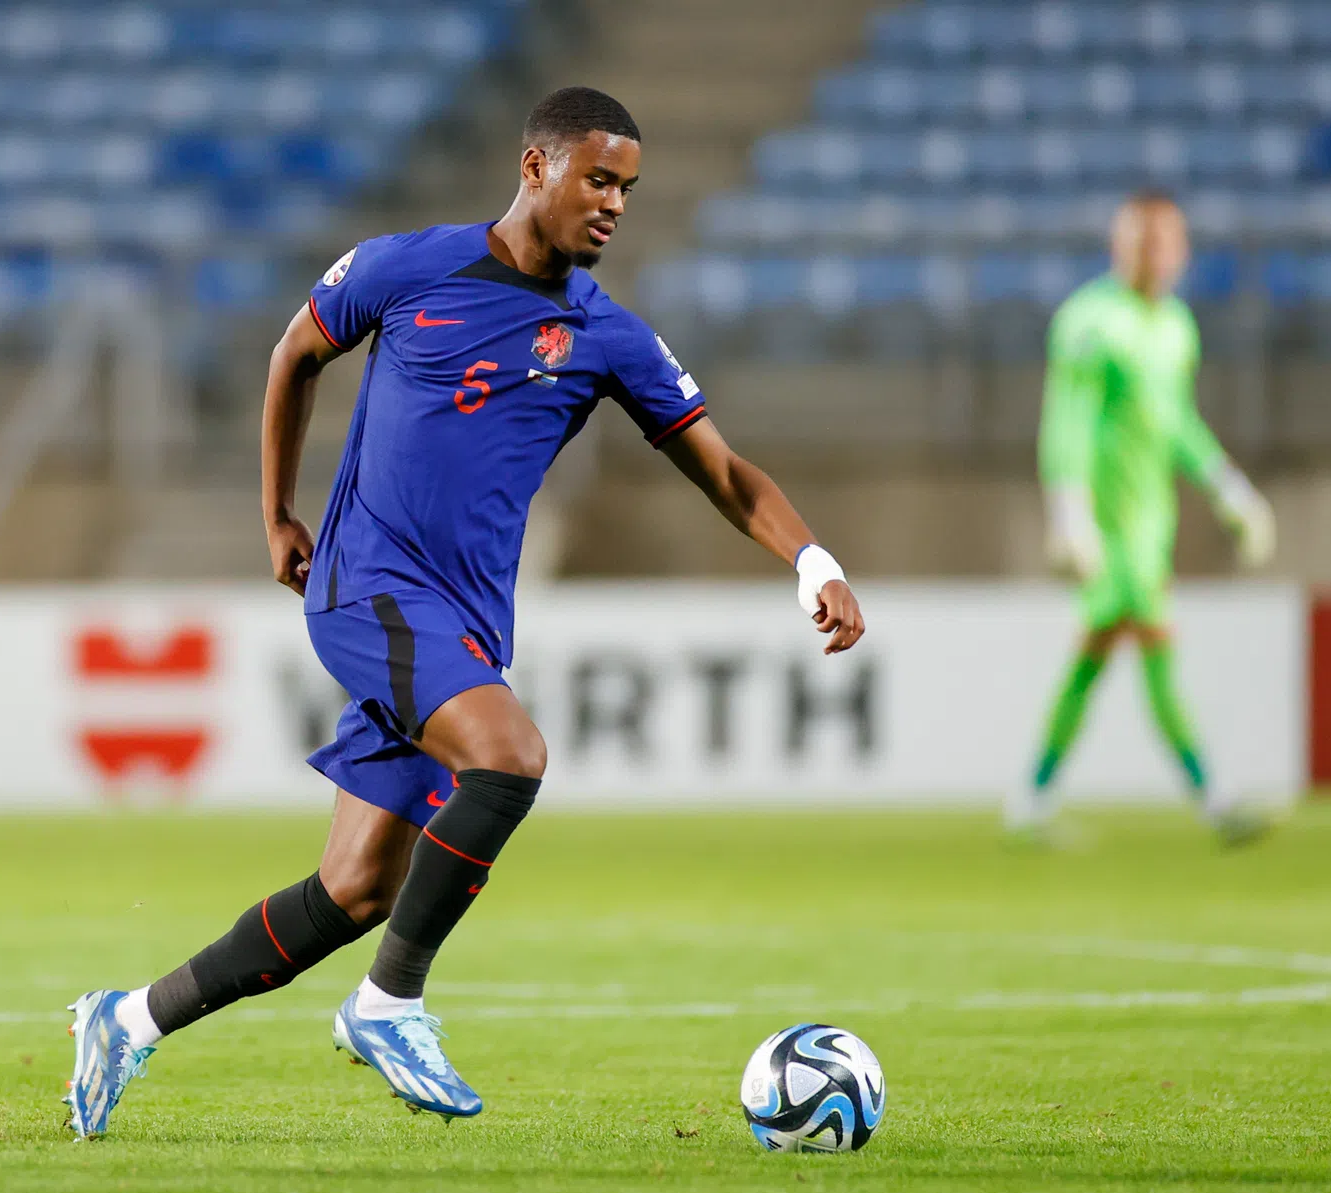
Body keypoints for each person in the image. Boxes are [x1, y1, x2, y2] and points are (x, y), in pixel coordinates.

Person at [62, 86, 866, 1139]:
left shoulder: (607, 336)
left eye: (627, 186)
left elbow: (723, 471)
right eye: (598, 179)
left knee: (352, 891)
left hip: (466, 624)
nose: (615, 203)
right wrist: (276, 519)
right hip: (367, 588)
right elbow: (292, 355)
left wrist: (810, 559)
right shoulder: (406, 267)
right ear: (536, 168)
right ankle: (391, 1005)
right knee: (511, 756)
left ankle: (128, 1020)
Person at [1008, 190, 1277, 846]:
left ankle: (1029, 803)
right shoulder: (1089, 322)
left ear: (1181, 250)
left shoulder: (1177, 326)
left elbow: (1175, 420)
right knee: (1156, 640)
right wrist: (1068, 512)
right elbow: (1064, 420)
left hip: (1154, 518)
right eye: (1141, 241)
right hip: (1108, 522)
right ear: (1118, 246)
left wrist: (1226, 486)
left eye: (1165, 242)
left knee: (1095, 654)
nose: (1154, 254)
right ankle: (1214, 799)